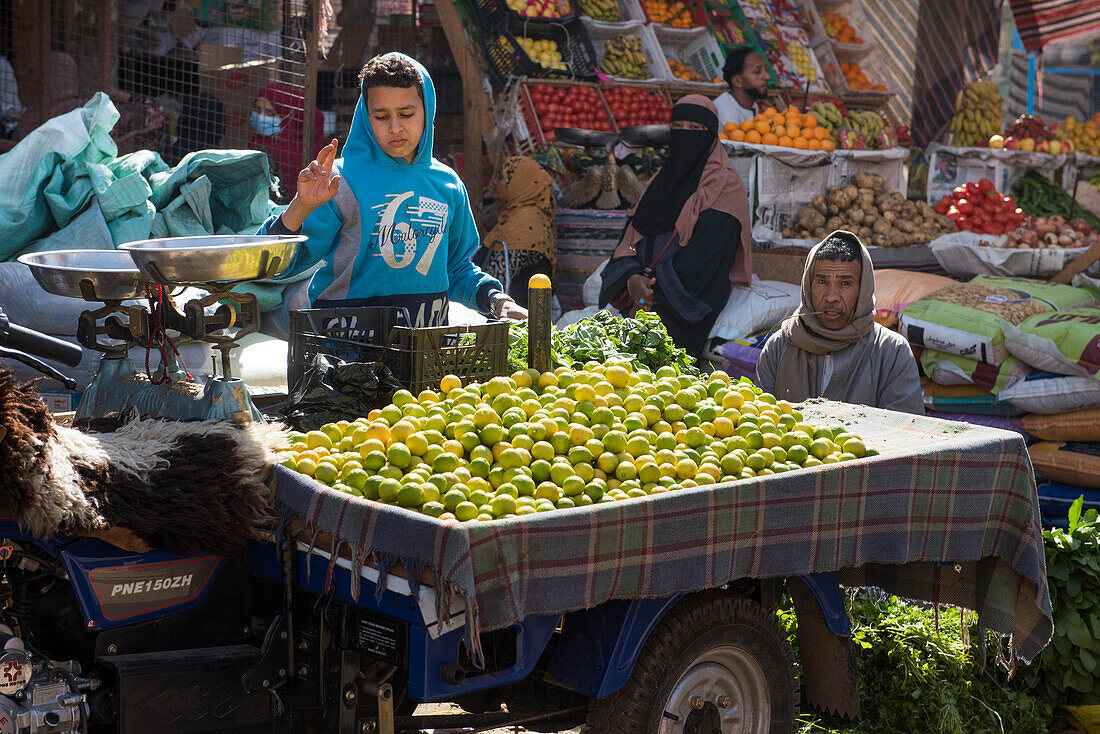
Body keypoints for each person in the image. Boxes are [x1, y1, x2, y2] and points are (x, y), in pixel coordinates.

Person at [259, 53, 525, 326]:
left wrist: (496, 299)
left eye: (406, 114)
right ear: (366, 116)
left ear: (428, 111)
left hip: (425, 346)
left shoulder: (448, 185)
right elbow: (275, 269)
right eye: (381, 116)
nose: (395, 127)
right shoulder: (338, 181)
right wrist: (301, 206)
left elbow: (455, 268)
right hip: (345, 350)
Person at [599, 95, 751, 360]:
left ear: (711, 135)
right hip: (637, 296)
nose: (685, 135)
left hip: (683, 306)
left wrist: (650, 291)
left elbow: (706, 260)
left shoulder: (725, 187)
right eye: (678, 127)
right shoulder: (663, 179)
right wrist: (632, 277)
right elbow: (632, 239)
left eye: (695, 129)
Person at [756, 231, 924, 414]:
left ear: (863, 289)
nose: (831, 297)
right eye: (821, 281)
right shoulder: (779, 346)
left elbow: (905, 430)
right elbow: (763, 421)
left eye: (845, 283)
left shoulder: (891, 351)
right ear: (807, 286)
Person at [478, 156, 556, 309]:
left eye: (501, 177)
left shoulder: (526, 222)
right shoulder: (513, 215)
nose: (494, 182)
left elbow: (498, 276)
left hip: (514, 313)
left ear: (520, 183)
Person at [250, 82, 326, 202]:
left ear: (287, 115)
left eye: (270, 113)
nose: (261, 117)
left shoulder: (284, 149)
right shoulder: (259, 141)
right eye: (258, 110)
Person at [712, 47, 771, 130]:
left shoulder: (753, 105)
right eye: (757, 71)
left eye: (766, 70)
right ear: (737, 81)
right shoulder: (724, 111)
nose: (767, 77)